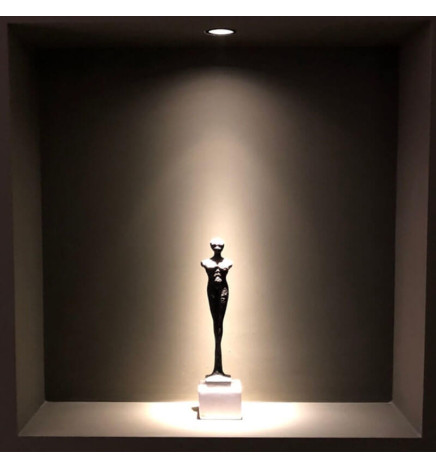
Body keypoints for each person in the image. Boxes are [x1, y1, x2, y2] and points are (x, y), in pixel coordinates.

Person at [201, 237, 233, 378]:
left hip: (223, 290)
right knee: (215, 324)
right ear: (211, 246)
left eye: (220, 245)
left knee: (220, 323)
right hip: (212, 290)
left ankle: (219, 369)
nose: (218, 248)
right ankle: (217, 369)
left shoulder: (228, 262)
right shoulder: (206, 262)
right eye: (215, 245)